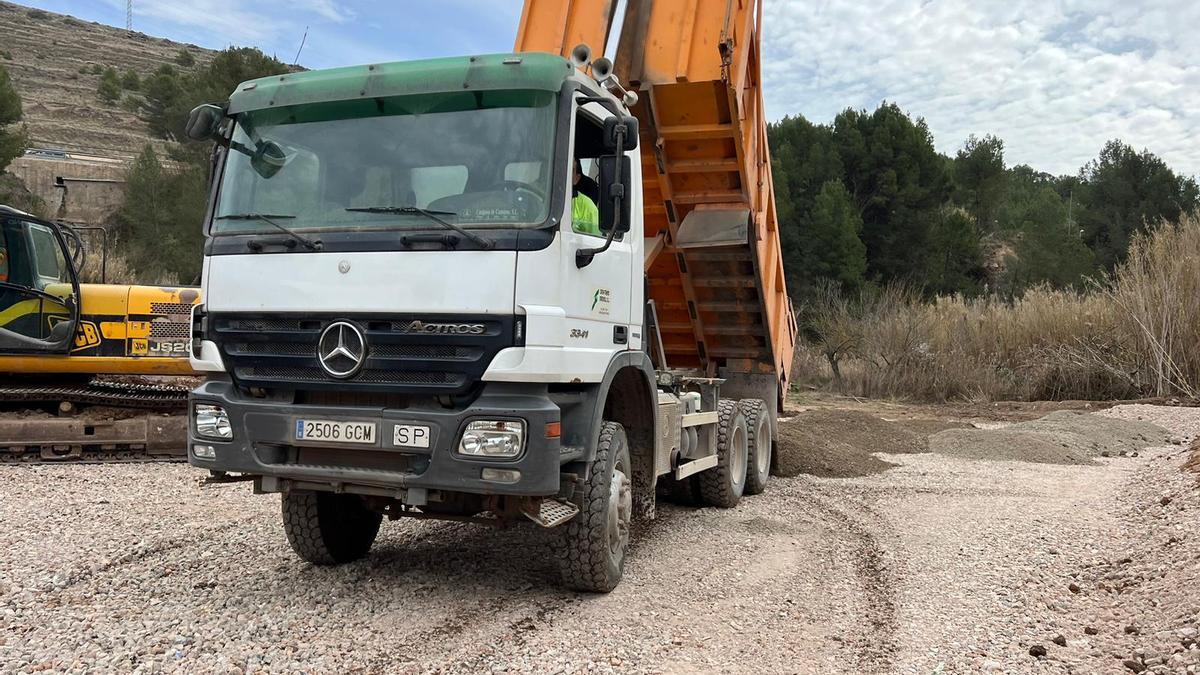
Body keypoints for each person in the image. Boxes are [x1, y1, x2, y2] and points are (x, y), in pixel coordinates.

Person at [571, 159, 600, 236]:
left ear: (576, 178)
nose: (564, 172)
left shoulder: (588, 207)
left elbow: (595, 242)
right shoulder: (537, 197)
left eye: (570, 169)